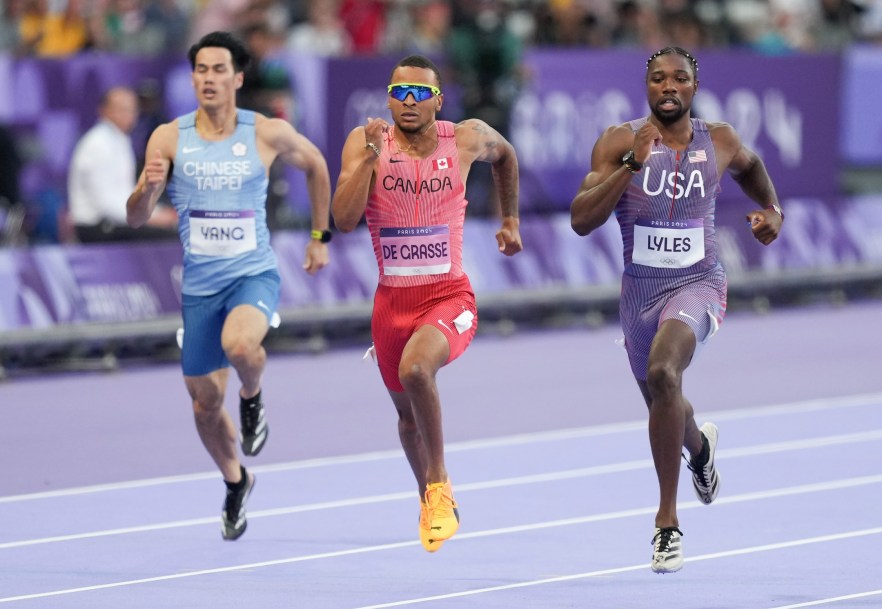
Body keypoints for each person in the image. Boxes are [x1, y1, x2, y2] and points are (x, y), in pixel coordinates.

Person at [569, 46, 783, 574]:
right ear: (646, 87)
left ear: (694, 86)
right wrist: (629, 165)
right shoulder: (619, 142)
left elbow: (752, 169)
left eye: (680, 79)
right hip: (640, 296)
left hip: (700, 285)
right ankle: (701, 450)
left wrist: (772, 210)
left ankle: (666, 523)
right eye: (659, 78)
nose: (669, 87)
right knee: (666, 401)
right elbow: (580, 219)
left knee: (665, 371)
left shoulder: (722, 140)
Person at [126, 31, 332, 541]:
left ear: (237, 78)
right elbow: (134, 217)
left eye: (219, 69)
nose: (209, 78)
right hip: (199, 289)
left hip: (251, 274)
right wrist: (149, 188)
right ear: (192, 78)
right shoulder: (168, 138)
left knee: (239, 346)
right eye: (201, 70)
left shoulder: (264, 131)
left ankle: (254, 394)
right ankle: (236, 480)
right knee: (202, 406)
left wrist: (319, 237)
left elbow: (318, 166)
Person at [332, 54, 523, 552]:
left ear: (439, 100)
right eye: (399, 93)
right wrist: (372, 157)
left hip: (449, 296)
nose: (409, 102)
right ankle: (430, 498)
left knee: (418, 371)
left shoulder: (464, 137)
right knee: (407, 417)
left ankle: (440, 484)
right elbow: (344, 219)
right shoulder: (366, 140)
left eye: (420, 94)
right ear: (388, 98)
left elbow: (506, 156)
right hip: (391, 304)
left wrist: (511, 220)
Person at [69, 86, 178, 243]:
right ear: (104, 110)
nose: (129, 115)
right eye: (122, 109)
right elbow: (108, 205)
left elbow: (126, 194)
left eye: (133, 109)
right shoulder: (98, 144)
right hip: (97, 227)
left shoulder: (119, 140)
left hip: (117, 220)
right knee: (170, 237)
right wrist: (152, 218)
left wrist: (159, 212)